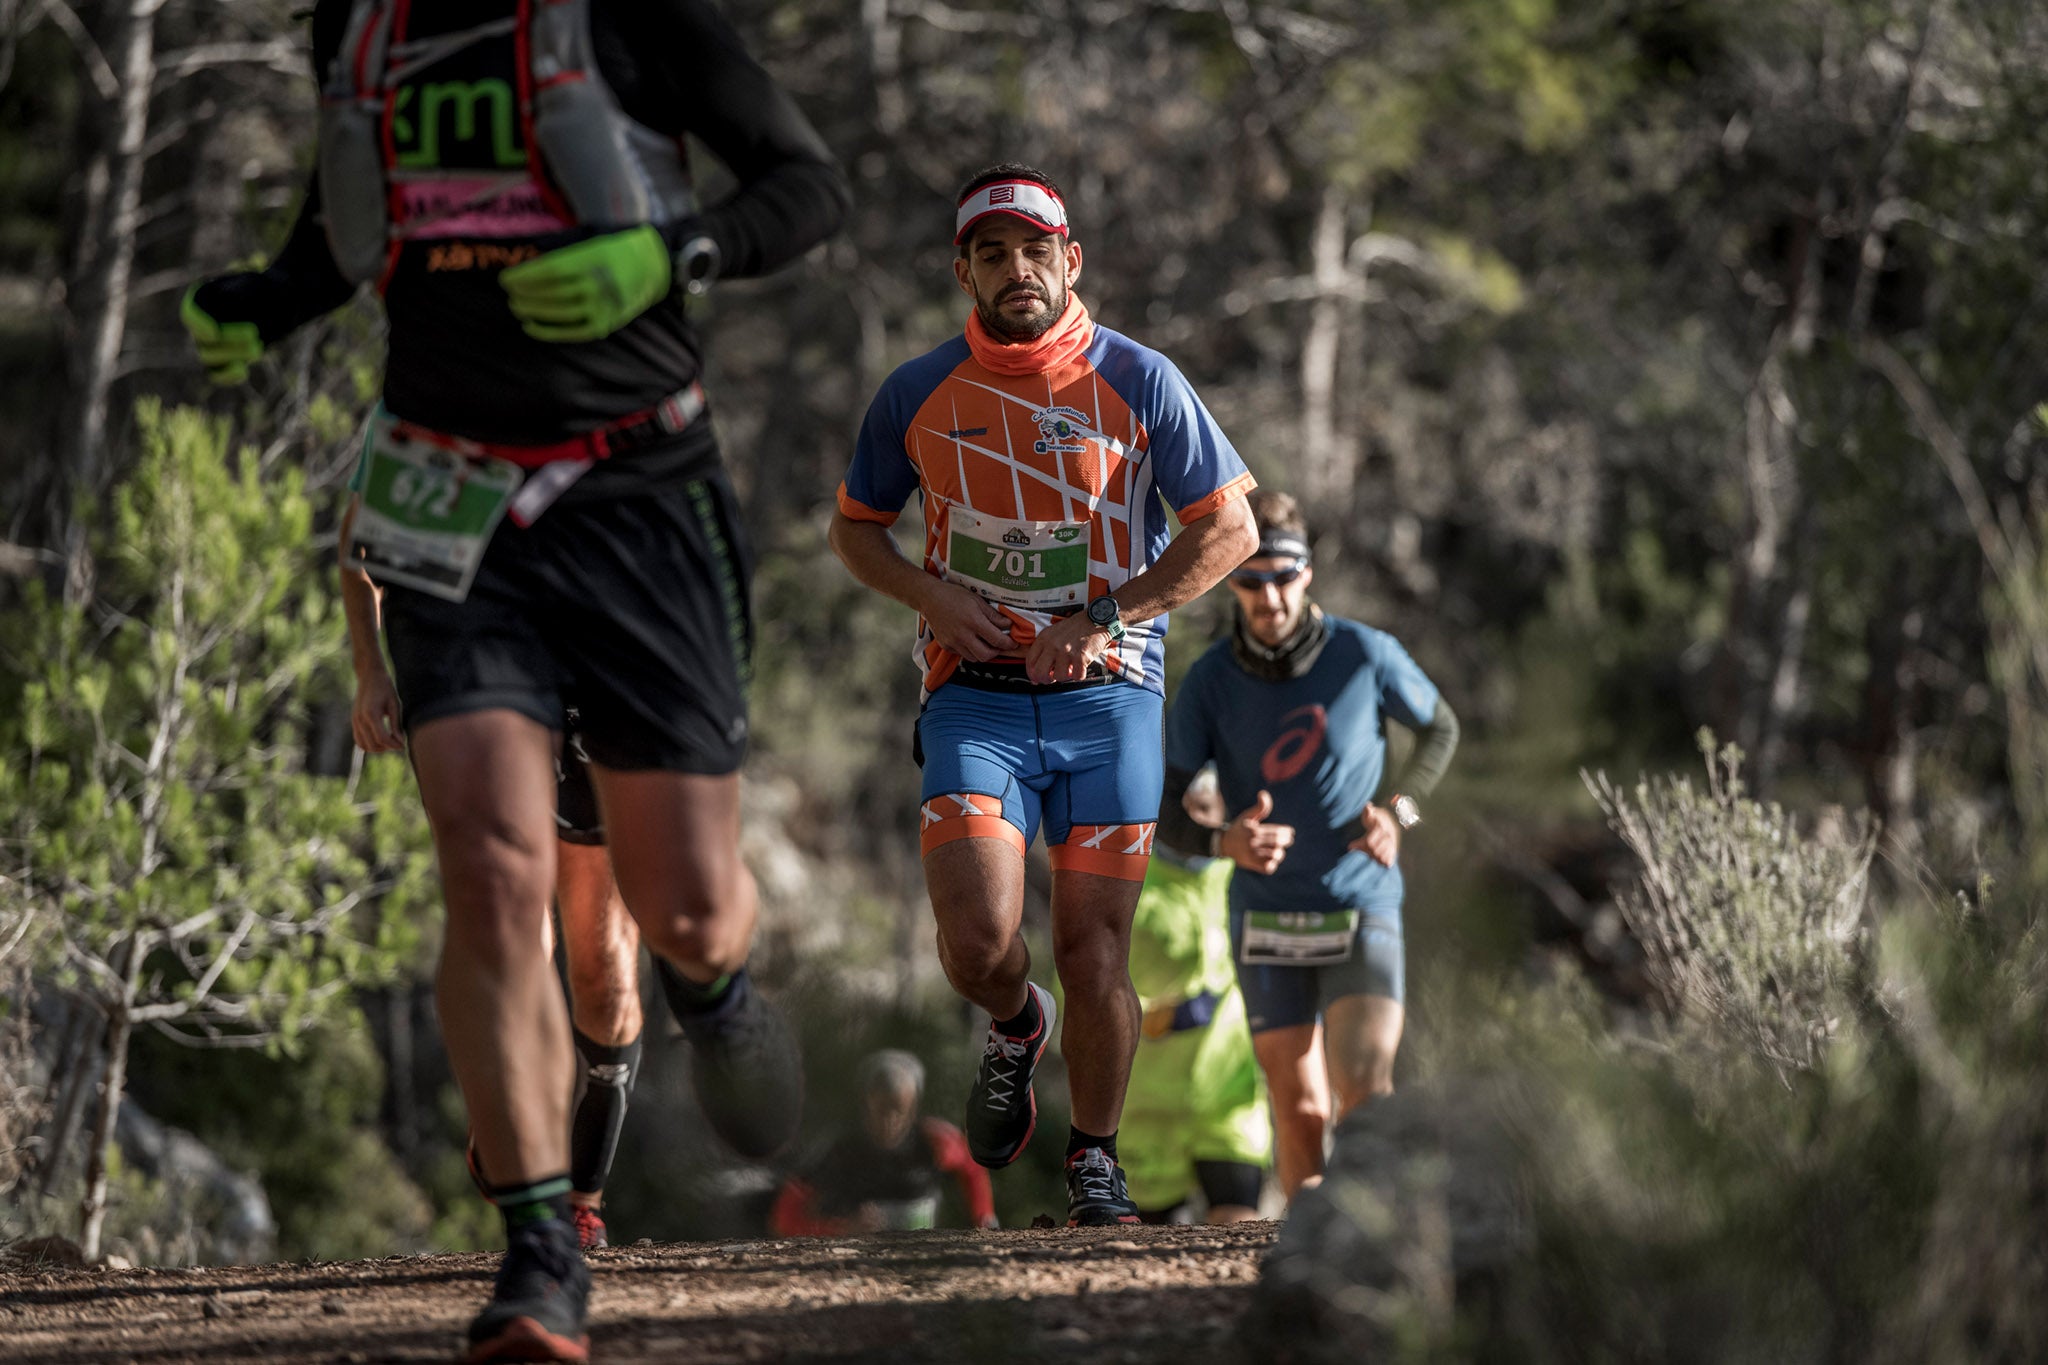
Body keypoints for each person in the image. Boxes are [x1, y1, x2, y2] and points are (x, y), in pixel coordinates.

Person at [188, 0, 849, 1356]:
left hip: (636, 500)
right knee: (492, 871)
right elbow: (345, 225)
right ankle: (543, 1252)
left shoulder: (633, 17)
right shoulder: (359, 27)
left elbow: (807, 186)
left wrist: (667, 258)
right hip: (447, 506)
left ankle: (711, 989)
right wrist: (268, 298)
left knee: (691, 908)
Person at [828, 163, 1257, 1227]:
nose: (1015, 270)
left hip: (1106, 698)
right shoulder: (916, 391)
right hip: (971, 694)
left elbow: (1231, 530)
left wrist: (1104, 618)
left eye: (1034, 251)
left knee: (1093, 949)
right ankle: (1015, 1025)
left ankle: (1094, 1163)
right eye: (991, 254)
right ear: (962, 271)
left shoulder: (1139, 378)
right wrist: (927, 590)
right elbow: (851, 529)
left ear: (1070, 261)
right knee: (977, 943)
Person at [343, 514, 642, 1254]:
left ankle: (584, 1192)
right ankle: (534, 1171)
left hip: (600, 691)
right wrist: (371, 669)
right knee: (517, 940)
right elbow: (359, 546)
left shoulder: (608, 412)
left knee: (603, 968)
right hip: (477, 682)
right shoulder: (441, 407)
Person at [1157, 489, 1459, 1201]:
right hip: (1266, 914)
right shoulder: (1209, 682)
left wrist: (1400, 810)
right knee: (1300, 1111)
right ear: (1231, 581)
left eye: (1284, 575)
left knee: (1364, 1089)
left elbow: (1440, 727)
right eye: (1252, 579)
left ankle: (1369, 1258)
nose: (1270, 596)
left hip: (1362, 900)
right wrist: (1221, 840)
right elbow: (1163, 804)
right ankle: (1304, 1275)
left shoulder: (1364, 654)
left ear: (1308, 573)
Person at [1118, 788, 1271, 1224]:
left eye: (1207, 809)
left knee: (1240, 1226)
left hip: (1228, 1094)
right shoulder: (1129, 880)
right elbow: (1082, 987)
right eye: (1184, 810)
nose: (1196, 820)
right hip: (1145, 1103)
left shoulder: (1243, 876)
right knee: (1142, 1257)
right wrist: (1155, 1018)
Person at [767, 1050, 997, 1236]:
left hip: (924, 1257)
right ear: (867, 1104)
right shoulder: (839, 1151)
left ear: (913, 1108)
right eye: (882, 1110)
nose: (890, 1121)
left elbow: (972, 1167)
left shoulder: (934, 1142)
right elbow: (784, 1219)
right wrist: (841, 1229)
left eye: (899, 1111)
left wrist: (983, 1217)